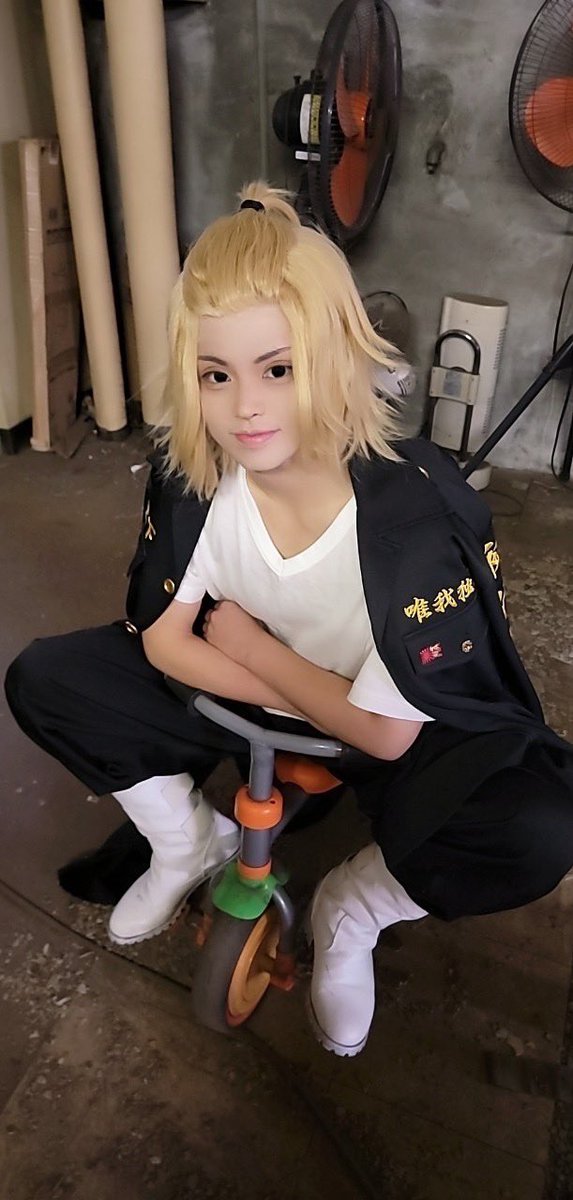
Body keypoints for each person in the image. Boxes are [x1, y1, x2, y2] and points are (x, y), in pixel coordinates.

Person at [5, 182, 573, 1059]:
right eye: (216, 375)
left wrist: (249, 647)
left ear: (337, 356)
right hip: (262, 701)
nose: (245, 408)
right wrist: (285, 686)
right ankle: (186, 844)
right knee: (47, 679)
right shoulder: (197, 477)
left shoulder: (417, 521)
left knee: (535, 825)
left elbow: (383, 734)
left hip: (370, 726)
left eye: (277, 369)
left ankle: (352, 909)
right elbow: (162, 639)